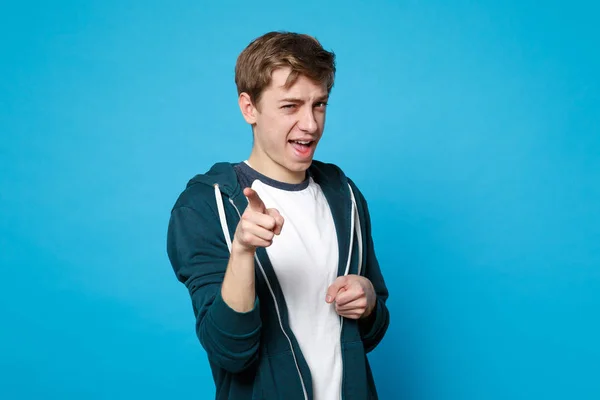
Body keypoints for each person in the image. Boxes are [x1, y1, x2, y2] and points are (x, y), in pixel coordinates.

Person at [166, 31, 390, 400]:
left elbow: (373, 330)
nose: (311, 124)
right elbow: (229, 352)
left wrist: (366, 300)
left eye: (319, 104)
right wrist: (242, 251)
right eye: (290, 106)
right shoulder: (206, 206)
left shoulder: (345, 195)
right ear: (249, 108)